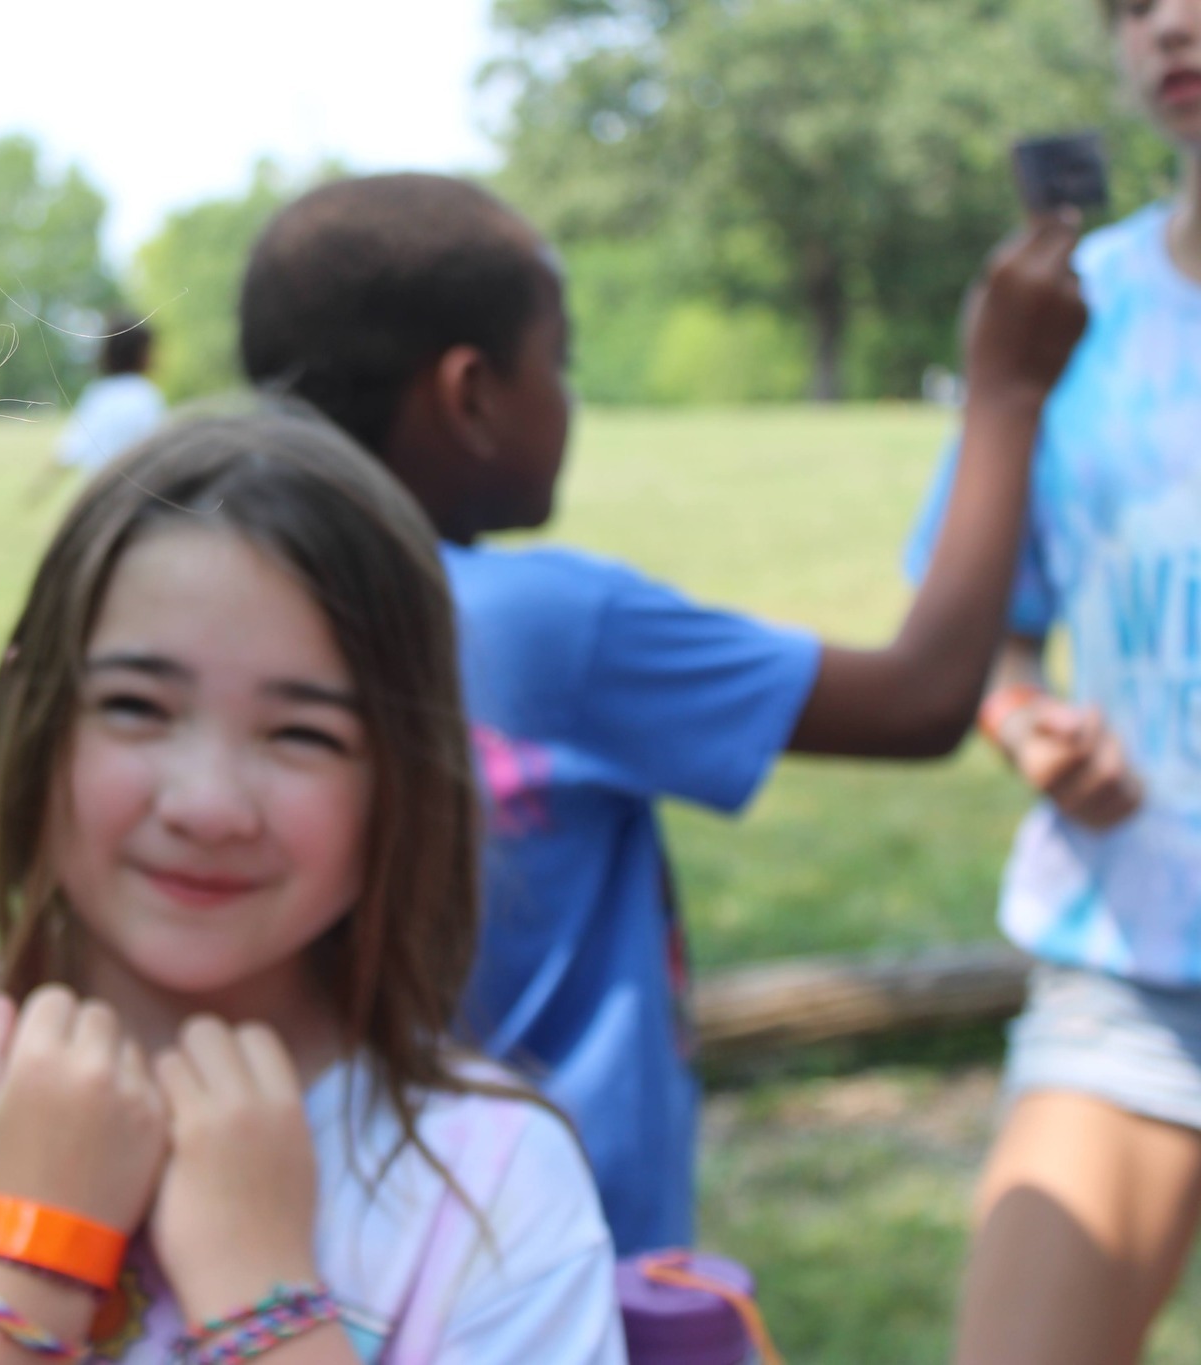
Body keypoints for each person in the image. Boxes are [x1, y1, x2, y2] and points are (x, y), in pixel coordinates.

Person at [237, 172, 1088, 1255]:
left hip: (300, 1230)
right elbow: (920, 699)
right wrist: (1005, 394)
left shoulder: (226, 600)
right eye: (560, 359)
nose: (568, 393)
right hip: (558, 1253)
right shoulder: (545, 625)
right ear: (470, 393)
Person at [0, 412, 627, 1364]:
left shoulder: (492, 1185)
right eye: (136, 706)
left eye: (302, 734)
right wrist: (30, 1260)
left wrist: (264, 1307)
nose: (208, 805)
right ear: (36, 716)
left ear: (406, 777)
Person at [918, 3, 1201, 1361]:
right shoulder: (1066, 305)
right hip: (1130, 967)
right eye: (1136, 3)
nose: (1172, 24)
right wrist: (1029, 722)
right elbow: (991, 622)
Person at [55, 314, 166, 473]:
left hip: (100, 489)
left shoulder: (98, 394)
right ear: (140, 354)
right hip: (139, 491)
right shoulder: (146, 394)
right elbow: (159, 450)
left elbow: (69, 451)